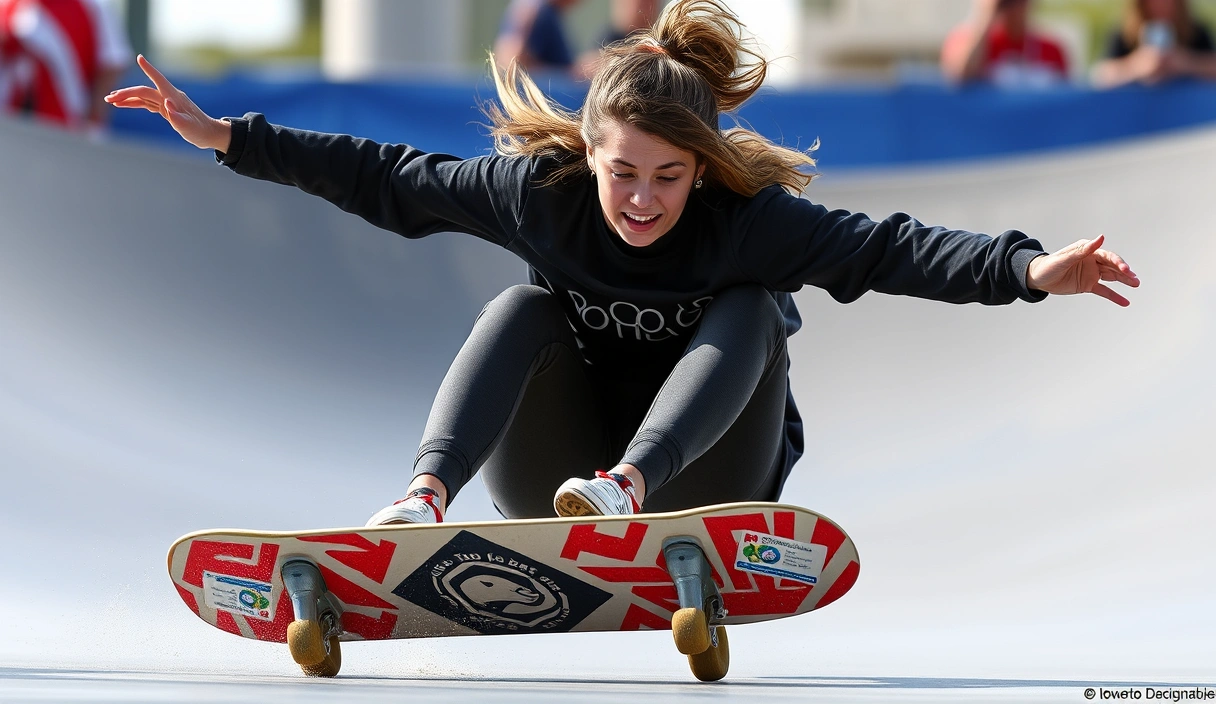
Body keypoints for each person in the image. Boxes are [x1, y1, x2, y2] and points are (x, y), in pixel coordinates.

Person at [106, 0, 1138, 526]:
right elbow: (388, 174)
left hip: (711, 477)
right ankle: (424, 498)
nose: (641, 200)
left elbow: (887, 247)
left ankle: (629, 484)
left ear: (702, 167)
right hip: (550, 470)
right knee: (521, 306)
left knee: (747, 306)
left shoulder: (747, 220)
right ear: (586, 154)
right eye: (621, 173)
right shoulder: (538, 194)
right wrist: (231, 136)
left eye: (667, 178)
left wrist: (1027, 267)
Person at [0, 0, 131, 131]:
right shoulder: (9, 6)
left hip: (68, 124)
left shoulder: (93, 7)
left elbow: (112, 64)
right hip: (10, 122)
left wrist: (93, 119)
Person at [941, 0, 1070, 88]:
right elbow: (959, 79)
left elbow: (1063, 103)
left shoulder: (1052, 50)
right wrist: (986, 15)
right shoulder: (965, 41)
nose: (1014, 6)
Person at [1092, 0, 1216, 88]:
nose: (1161, 4)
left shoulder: (1195, 32)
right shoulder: (1124, 34)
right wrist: (1138, 65)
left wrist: (1185, 62)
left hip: (1189, 116)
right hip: (1140, 116)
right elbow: (1100, 75)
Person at [493, 0, 582, 77]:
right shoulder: (537, 11)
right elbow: (510, 62)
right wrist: (566, 74)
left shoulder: (547, 12)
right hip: (541, 92)